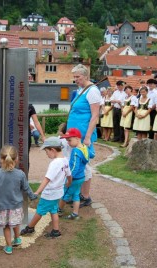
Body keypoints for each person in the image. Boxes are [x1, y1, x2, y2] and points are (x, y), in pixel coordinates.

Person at [0, 145, 37, 254]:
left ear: (0, 159)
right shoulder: (20, 174)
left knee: (7, 226)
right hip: (16, 207)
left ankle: (9, 246)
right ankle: (17, 239)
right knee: (15, 223)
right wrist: (32, 196)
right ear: (16, 159)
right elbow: (26, 188)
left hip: (2, 207)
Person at [20, 137, 71, 238]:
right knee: (53, 210)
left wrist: (37, 192)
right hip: (58, 192)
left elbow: (47, 179)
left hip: (49, 194)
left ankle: (30, 227)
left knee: (40, 211)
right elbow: (69, 174)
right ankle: (56, 231)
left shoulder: (55, 163)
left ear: (52, 150)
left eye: (46, 151)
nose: (46, 154)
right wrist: (69, 182)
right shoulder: (65, 160)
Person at [67, 64, 100, 208]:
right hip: (74, 134)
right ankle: (76, 194)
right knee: (74, 163)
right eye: (74, 77)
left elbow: (95, 116)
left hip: (83, 135)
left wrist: (87, 137)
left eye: (78, 77)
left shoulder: (92, 91)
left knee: (84, 164)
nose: (75, 79)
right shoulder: (81, 90)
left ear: (85, 76)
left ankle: (85, 196)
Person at [58, 128, 89, 220]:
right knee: (76, 194)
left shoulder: (75, 151)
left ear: (77, 139)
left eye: (69, 140)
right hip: (81, 177)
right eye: (67, 140)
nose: (68, 142)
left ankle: (59, 210)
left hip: (74, 179)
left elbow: (75, 167)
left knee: (65, 194)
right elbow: (90, 155)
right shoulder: (84, 147)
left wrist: (69, 178)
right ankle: (75, 213)